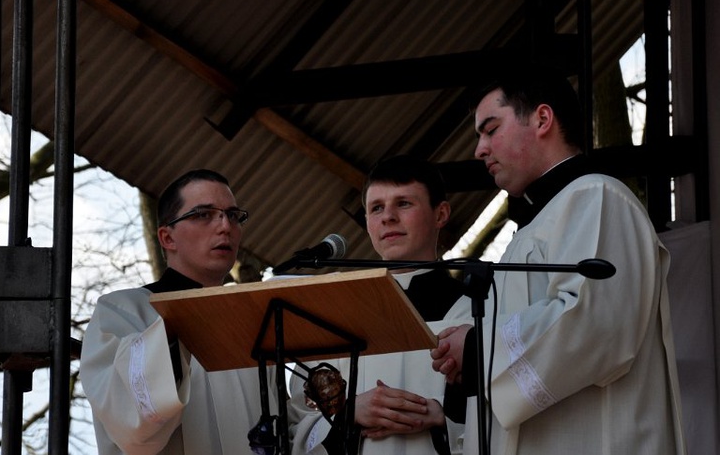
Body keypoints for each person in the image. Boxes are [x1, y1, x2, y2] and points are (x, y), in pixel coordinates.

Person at [430, 65, 687, 454]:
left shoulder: (598, 197)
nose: (479, 149)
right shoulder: (528, 234)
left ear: (542, 119)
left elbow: (596, 325)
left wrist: (479, 349)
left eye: (491, 129)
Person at [80, 169, 277, 454]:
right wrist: (174, 330)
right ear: (167, 238)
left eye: (233, 215)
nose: (225, 226)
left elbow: (282, 429)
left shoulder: (251, 327)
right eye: (203, 214)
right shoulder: (124, 311)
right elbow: (130, 423)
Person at [288, 155, 474, 455]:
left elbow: (508, 410)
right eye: (376, 208)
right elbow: (298, 423)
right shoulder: (334, 312)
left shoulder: (477, 309)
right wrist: (348, 415)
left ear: (440, 214)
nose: (387, 217)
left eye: (403, 203)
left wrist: (446, 419)